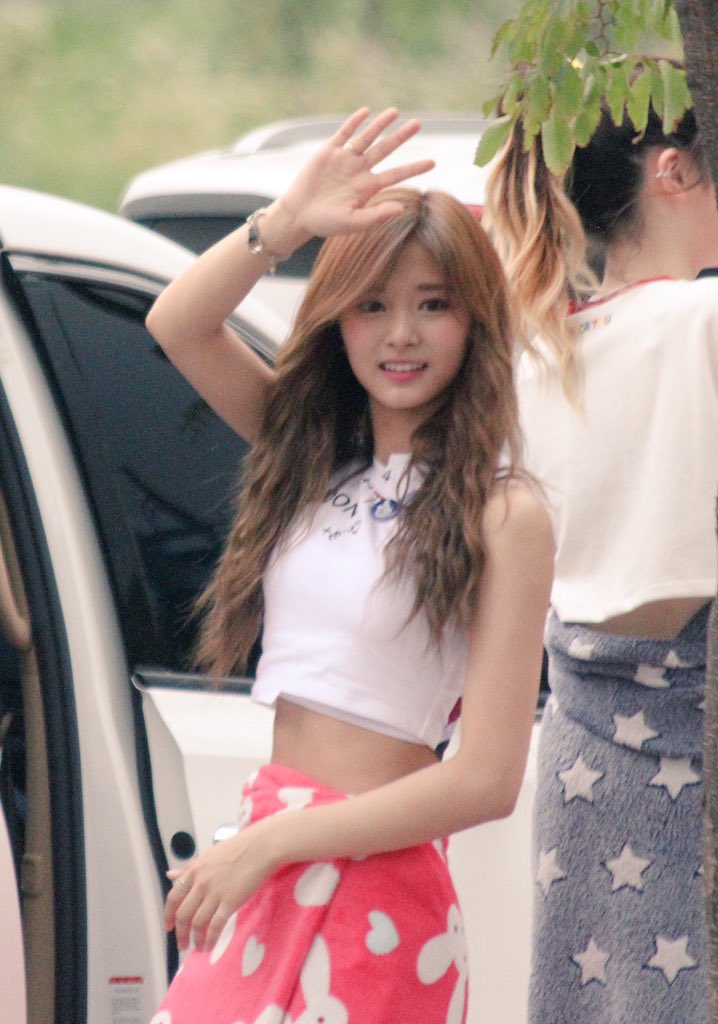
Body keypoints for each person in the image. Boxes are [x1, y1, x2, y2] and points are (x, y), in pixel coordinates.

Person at [145, 107, 553, 1024]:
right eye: (372, 305)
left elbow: (485, 780)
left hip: (377, 895)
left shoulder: (505, 514)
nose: (400, 333)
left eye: (433, 304)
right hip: (269, 859)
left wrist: (273, 844)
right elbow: (177, 323)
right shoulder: (311, 458)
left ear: (473, 322)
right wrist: (286, 222)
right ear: (337, 321)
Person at [483, 90, 718, 1024]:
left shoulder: (539, 349)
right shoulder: (700, 320)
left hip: (582, 752)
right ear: (674, 171)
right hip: (690, 729)